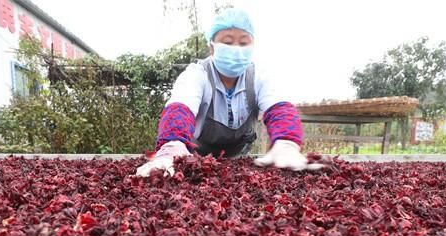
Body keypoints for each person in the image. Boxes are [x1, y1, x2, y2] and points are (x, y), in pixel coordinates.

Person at [136, 8, 320, 177]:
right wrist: (172, 145)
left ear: (252, 46)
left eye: (243, 42)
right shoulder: (197, 74)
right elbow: (180, 106)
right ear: (212, 46)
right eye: (227, 41)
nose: (236, 49)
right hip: (195, 164)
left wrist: (286, 141)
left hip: (239, 161)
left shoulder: (259, 77)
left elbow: (279, 107)